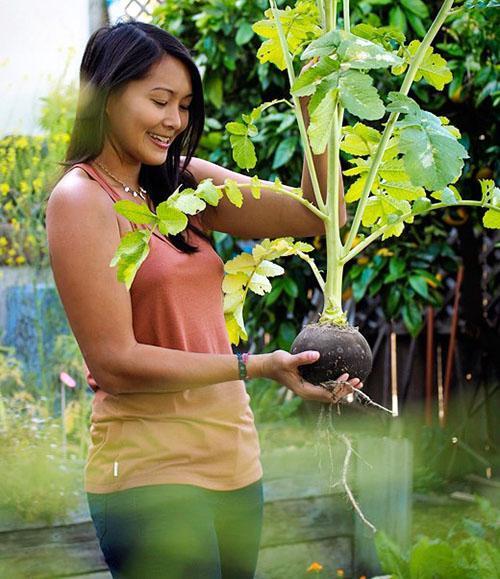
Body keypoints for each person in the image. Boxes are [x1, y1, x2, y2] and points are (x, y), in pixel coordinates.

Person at [45, 20, 364, 579]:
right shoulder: (81, 200)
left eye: (185, 105)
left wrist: (314, 102)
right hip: (150, 475)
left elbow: (322, 217)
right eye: (160, 100)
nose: (175, 121)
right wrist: (256, 366)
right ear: (105, 94)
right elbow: (114, 363)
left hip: (235, 461)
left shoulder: (182, 183)